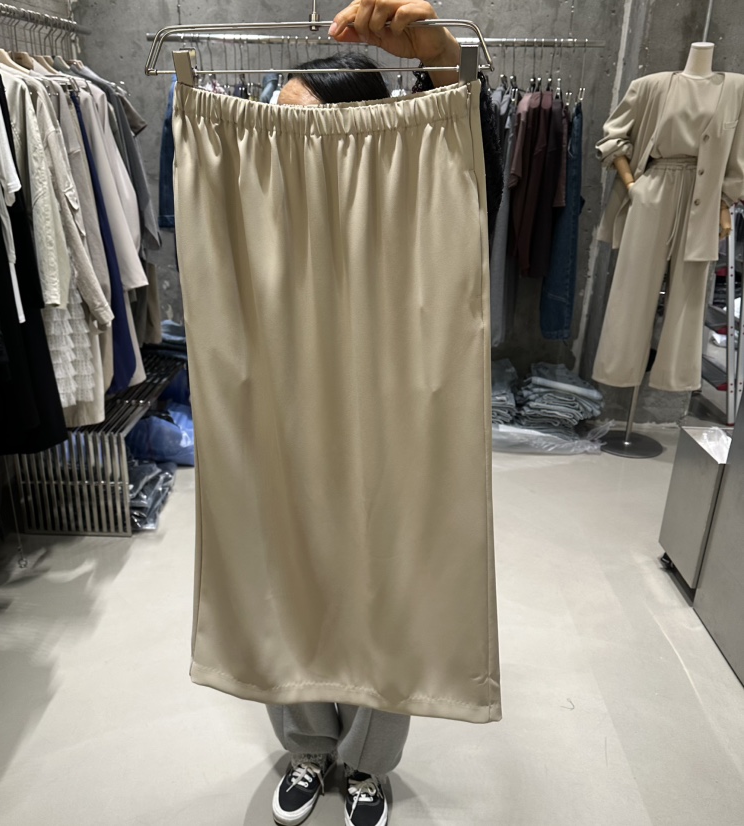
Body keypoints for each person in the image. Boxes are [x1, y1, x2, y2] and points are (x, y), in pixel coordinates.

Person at [268, 4, 496, 826]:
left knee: (387, 573)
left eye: (300, 130)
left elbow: (460, 141)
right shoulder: (262, 212)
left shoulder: (409, 206)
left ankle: (367, 761)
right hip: (289, 393)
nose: (280, 146)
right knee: (290, 567)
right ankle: (307, 744)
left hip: (391, 395)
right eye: (275, 128)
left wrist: (439, 57)